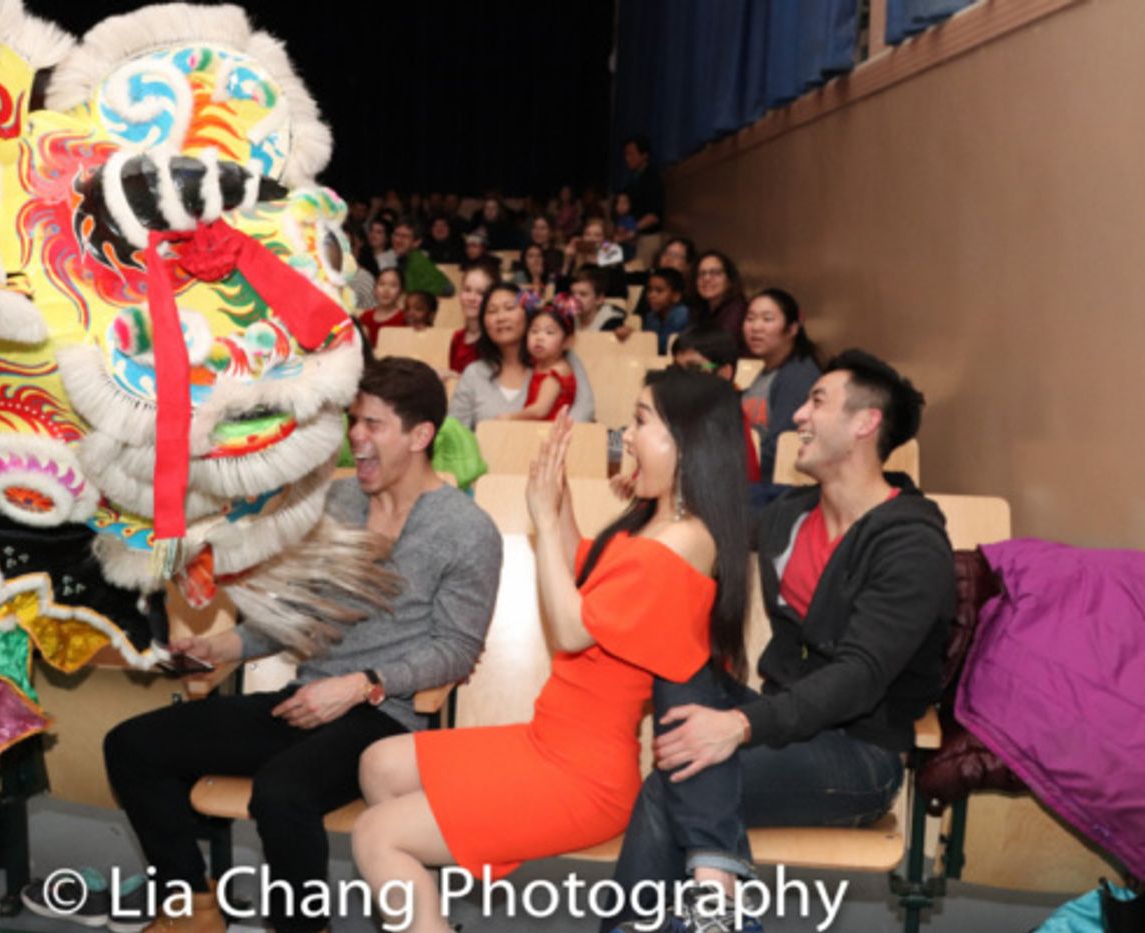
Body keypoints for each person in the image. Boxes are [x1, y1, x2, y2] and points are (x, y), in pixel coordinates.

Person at [100, 358, 503, 933]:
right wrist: (225, 646)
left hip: (384, 717)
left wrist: (362, 683)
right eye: (354, 421)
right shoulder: (339, 504)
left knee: (281, 793)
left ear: (421, 436)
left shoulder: (468, 530)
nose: (356, 438)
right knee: (133, 746)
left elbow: (457, 649)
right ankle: (191, 907)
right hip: (305, 699)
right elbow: (301, 618)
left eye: (374, 425)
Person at [352, 369, 751, 933]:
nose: (627, 437)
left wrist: (541, 514)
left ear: (686, 439)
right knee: (380, 763)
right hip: (548, 741)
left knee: (377, 835)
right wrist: (557, 497)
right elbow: (583, 573)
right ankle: (427, 917)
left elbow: (570, 628)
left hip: (582, 776)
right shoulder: (662, 523)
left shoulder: (686, 541)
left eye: (640, 422)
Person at [608, 350, 953, 933]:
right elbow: (702, 520)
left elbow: (859, 677)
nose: (797, 415)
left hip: (858, 754)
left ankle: (699, 907)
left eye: (817, 401)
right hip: (779, 722)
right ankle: (715, 904)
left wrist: (737, 727)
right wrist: (651, 483)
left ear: (866, 423)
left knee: (675, 781)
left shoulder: (912, 545)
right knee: (678, 659)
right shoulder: (791, 515)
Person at [448, 283, 597, 427]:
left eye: (509, 308)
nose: (501, 317)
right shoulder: (474, 373)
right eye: (492, 311)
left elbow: (584, 409)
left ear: (528, 315)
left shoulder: (559, 358)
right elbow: (455, 432)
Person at [741, 288, 821, 483]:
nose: (755, 327)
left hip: (773, 487)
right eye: (750, 318)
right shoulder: (769, 368)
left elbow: (782, 446)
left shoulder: (797, 376)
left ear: (792, 329)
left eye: (767, 319)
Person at [672, 329, 761, 484]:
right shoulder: (676, 407)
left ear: (724, 373)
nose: (681, 378)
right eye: (677, 369)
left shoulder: (729, 418)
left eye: (694, 368)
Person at [502, 297, 575, 421]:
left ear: (567, 342)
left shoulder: (557, 371)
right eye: (534, 331)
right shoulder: (539, 363)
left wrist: (510, 417)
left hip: (549, 433)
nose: (539, 337)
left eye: (549, 332)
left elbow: (540, 410)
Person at [447, 260, 499, 374]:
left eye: (480, 293)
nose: (471, 298)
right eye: (467, 290)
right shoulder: (457, 338)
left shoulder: (496, 340)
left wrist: (453, 376)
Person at [621, 136, 665, 267]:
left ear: (644, 155)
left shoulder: (652, 178)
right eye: (625, 154)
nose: (627, 158)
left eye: (631, 154)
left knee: (640, 275)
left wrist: (632, 229)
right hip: (632, 238)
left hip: (648, 237)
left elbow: (655, 214)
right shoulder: (632, 179)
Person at [691, 251, 747, 350]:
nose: (707, 278)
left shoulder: (737, 309)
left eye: (715, 273)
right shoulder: (701, 309)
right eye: (701, 274)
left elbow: (719, 352)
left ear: (729, 280)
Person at [390, 219, 455, 297]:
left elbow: (448, 289)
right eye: (396, 235)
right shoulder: (403, 259)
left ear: (416, 242)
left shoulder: (417, 261)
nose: (398, 240)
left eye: (404, 236)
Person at [640, 268, 689, 356]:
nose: (652, 295)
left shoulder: (682, 314)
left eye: (659, 291)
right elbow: (648, 347)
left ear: (676, 296)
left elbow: (664, 347)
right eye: (649, 290)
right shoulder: (651, 317)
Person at [570, 264, 627, 333]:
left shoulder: (612, 322)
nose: (575, 299)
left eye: (583, 294)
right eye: (572, 294)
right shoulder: (567, 317)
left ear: (599, 299)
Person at [359, 267, 407, 348]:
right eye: (382, 284)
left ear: (401, 291)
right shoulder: (365, 317)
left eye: (393, 285)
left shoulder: (405, 318)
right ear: (375, 289)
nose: (386, 290)